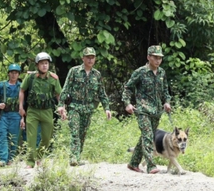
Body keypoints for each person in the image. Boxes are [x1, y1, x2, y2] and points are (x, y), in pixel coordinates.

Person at [57, 47, 111, 166]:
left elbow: (102, 93)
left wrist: (107, 108)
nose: (90, 60)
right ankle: (73, 158)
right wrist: (61, 105)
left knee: (82, 133)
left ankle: (77, 157)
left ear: (95, 59)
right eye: (88, 57)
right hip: (75, 106)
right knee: (75, 132)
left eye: (92, 57)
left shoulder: (96, 75)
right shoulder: (74, 71)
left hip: (88, 108)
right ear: (83, 58)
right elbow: (66, 89)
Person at [123, 45, 172, 174]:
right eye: (155, 57)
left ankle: (133, 163)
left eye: (160, 58)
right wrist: (127, 103)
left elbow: (166, 91)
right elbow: (128, 88)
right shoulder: (140, 72)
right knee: (148, 136)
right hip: (143, 110)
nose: (158, 60)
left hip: (156, 111)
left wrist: (167, 102)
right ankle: (151, 165)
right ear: (148, 57)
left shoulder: (162, 73)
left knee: (146, 136)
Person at [18, 52, 64, 168]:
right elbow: (22, 90)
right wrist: (21, 107)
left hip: (47, 111)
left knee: (47, 138)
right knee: (31, 137)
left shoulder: (53, 78)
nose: (45, 66)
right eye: (42, 63)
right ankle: (30, 162)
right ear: (37, 65)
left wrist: (62, 108)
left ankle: (39, 156)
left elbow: (59, 95)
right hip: (32, 111)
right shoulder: (31, 77)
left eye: (46, 63)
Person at [0, 64, 23, 166]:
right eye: (12, 73)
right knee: (2, 135)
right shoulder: (2, 85)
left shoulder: (21, 86)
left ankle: (11, 159)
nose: (14, 75)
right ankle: (3, 159)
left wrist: (23, 117)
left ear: (18, 74)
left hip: (16, 114)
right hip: (4, 114)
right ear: (8, 74)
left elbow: (25, 102)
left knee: (13, 137)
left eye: (16, 73)